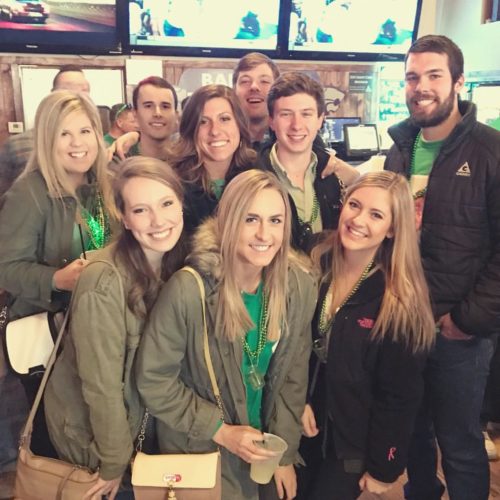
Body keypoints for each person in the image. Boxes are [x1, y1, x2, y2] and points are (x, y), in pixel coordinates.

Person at [136, 169, 317, 500]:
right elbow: (154, 381)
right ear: (229, 222)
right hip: (201, 452)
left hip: (261, 451)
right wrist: (220, 431)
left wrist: (285, 455)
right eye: (251, 219)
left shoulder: (298, 288)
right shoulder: (189, 290)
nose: (265, 233)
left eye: (275, 221)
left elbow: (292, 378)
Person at [384, 35, 500, 500]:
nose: (421, 86)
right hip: (403, 323)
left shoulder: (491, 151)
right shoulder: (400, 147)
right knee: (412, 434)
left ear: (458, 81)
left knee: (459, 444)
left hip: (459, 333)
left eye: (434, 75)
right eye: (413, 77)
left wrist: (466, 320)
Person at [44, 156, 186, 500]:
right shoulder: (103, 281)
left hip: (144, 428)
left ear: (181, 204)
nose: (158, 220)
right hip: (97, 439)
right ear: (124, 216)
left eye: (166, 203)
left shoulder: (175, 263)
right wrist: (112, 461)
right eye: (141, 210)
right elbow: (101, 386)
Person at [299, 171, 435, 500]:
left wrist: (383, 468)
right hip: (301, 430)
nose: (359, 220)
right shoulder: (314, 259)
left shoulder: (398, 301)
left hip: (351, 445)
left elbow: (400, 396)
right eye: (354, 205)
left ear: (392, 228)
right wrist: (297, 399)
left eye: (376, 215)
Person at [0, 90, 112, 457]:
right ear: (47, 139)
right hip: (50, 338)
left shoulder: (102, 187)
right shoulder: (29, 194)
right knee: (59, 438)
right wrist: (56, 279)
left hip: (98, 328)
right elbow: (6, 268)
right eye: (65, 134)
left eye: (85, 131)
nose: (77, 143)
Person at [260, 71, 344, 251]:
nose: (296, 125)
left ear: (320, 120)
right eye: (286, 114)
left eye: (306, 114)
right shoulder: (252, 176)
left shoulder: (334, 179)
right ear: (272, 122)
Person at [170, 84, 256, 234]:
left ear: (240, 125)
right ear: (191, 129)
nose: (215, 131)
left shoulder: (258, 174)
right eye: (203, 122)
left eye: (224, 119)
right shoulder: (172, 184)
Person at [0, 65, 90, 198]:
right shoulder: (17, 145)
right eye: (67, 88)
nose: (75, 96)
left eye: (83, 90)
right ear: (52, 94)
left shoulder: (97, 146)